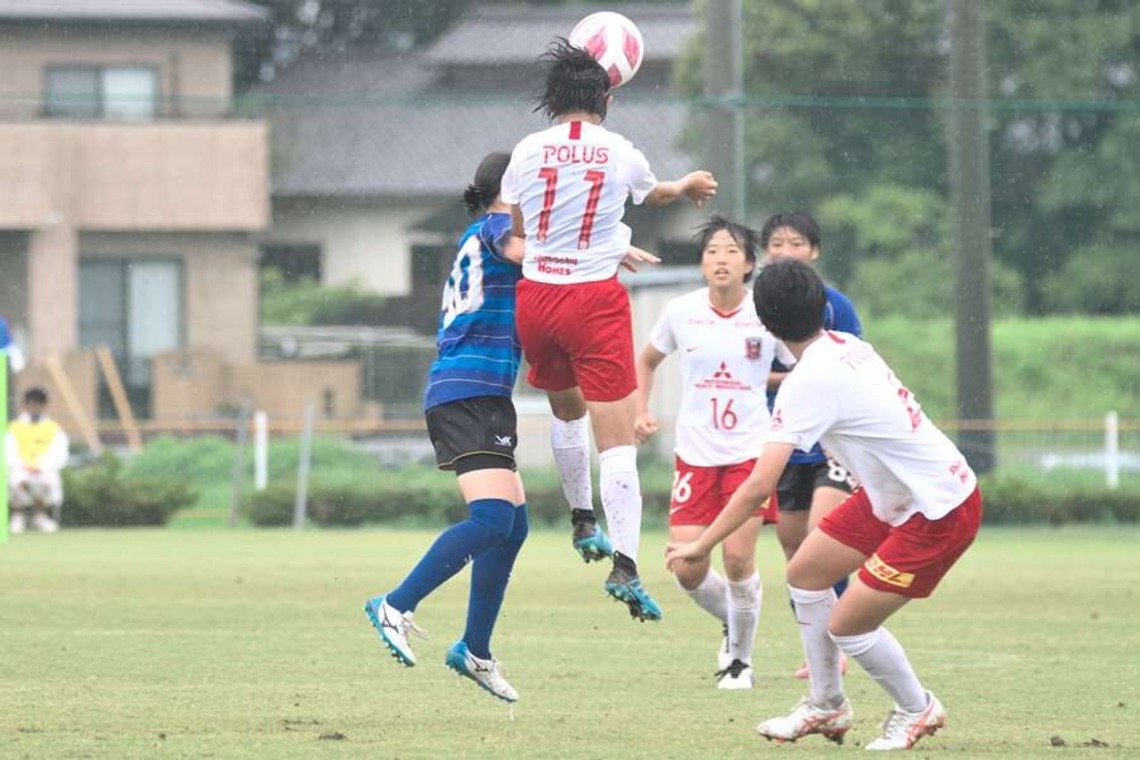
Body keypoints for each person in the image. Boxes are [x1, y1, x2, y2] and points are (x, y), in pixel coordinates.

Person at [667, 258, 982, 750]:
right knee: (807, 573)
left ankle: (917, 708)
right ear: (822, 307)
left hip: (938, 509)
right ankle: (826, 704)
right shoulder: (846, 345)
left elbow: (757, 486)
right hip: (895, 498)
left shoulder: (807, 382)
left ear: (764, 323)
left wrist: (701, 545)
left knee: (849, 627)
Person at [500, 38, 718, 622]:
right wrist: (688, 186)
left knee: (566, 414)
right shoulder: (620, 150)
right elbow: (658, 194)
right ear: (608, 97)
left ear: (552, 99)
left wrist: (590, 239)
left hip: (538, 298)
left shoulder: (526, 150)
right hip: (593, 302)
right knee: (617, 441)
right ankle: (625, 564)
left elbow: (522, 227)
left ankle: (581, 520)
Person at [363, 152, 529, 703]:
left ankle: (474, 651)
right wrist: (598, 246)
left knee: (514, 525)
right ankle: (396, 603)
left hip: (483, 394)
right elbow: (525, 250)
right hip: (466, 391)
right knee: (491, 518)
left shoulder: (480, 229)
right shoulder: (498, 226)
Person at [634, 215, 788, 688]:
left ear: (750, 264)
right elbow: (647, 359)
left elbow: (803, 365)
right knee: (686, 565)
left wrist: (773, 385)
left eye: (731, 252)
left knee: (739, 561)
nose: (720, 260)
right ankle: (734, 619)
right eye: (712, 251)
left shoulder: (769, 314)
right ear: (702, 263)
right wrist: (641, 410)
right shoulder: (681, 311)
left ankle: (739, 662)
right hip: (695, 455)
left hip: (749, 453)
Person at [760, 211, 863, 678]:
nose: (785, 252)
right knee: (795, 552)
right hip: (782, 443)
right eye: (776, 243)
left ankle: (842, 640)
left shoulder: (835, 304)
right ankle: (817, 647)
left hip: (828, 443)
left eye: (796, 243)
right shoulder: (752, 307)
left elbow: (852, 362)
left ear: (814, 251)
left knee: (825, 539)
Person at [7, 387, 69, 534]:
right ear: (25, 404)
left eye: (38, 404)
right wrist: (24, 466)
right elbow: (9, 451)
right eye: (32, 404)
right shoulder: (14, 427)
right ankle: (18, 517)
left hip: (44, 468)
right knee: (16, 481)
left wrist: (41, 466)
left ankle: (40, 517)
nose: (35, 408)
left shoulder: (54, 428)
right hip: (20, 467)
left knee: (46, 482)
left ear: (44, 406)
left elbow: (59, 452)